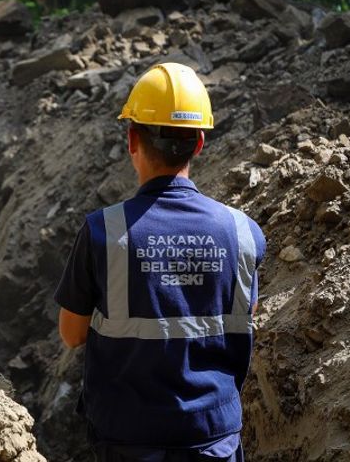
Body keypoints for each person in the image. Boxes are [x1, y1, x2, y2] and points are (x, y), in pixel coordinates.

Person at [54, 62, 266, 462]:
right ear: (199, 143)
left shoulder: (104, 231)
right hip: (213, 436)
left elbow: (71, 334)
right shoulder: (243, 233)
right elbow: (243, 316)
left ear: (132, 139)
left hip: (128, 437)